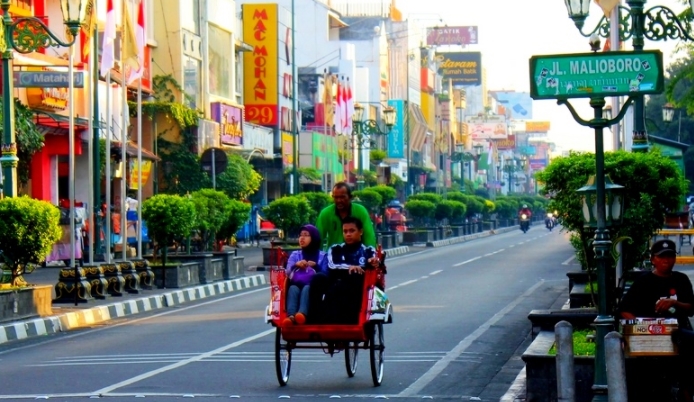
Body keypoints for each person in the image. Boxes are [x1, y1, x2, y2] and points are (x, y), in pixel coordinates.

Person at [619, 239, 694, 402]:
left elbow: (691, 309)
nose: (666, 260)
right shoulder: (643, 282)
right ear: (653, 259)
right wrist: (645, 327)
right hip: (650, 337)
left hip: (678, 334)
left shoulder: (681, 280)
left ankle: (687, 392)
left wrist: (674, 303)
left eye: (670, 256)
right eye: (661, 257)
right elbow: (625, 310)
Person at [309, 216, 380, 324]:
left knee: (355, 275)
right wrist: (351, 267)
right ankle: (314, 318)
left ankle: (351, 319)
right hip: (335, 283)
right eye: (345, 231)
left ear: (360, 232)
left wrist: (370, 264)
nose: (348, 234)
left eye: (352, 231)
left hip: (358, 289)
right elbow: (333, 266)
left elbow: (374, 263)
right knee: (318, 278)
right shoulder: (335, 249)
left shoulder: (368, 251)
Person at [283, 224, 327, 326]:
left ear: (314, 238)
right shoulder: (295, 255)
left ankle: (302, 314)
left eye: (306, 235)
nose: (302, 238)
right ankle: (291, 316)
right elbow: (287, 272)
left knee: (307, 288)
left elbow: (326, 274)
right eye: (300, 235)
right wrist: (296, 265)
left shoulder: (323, 256)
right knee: (293, 288)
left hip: (314, 289)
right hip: (296, 284)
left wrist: (316, 266)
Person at [316, 182, 377, 251]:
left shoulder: (361, 211)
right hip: (333, 257)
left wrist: (371, 255)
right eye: (336, 197)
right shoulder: (325, 213)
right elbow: (317, 238)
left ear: (350, 197)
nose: (339, 200)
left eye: (342, 197)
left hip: (357, 256)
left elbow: (369, 236)